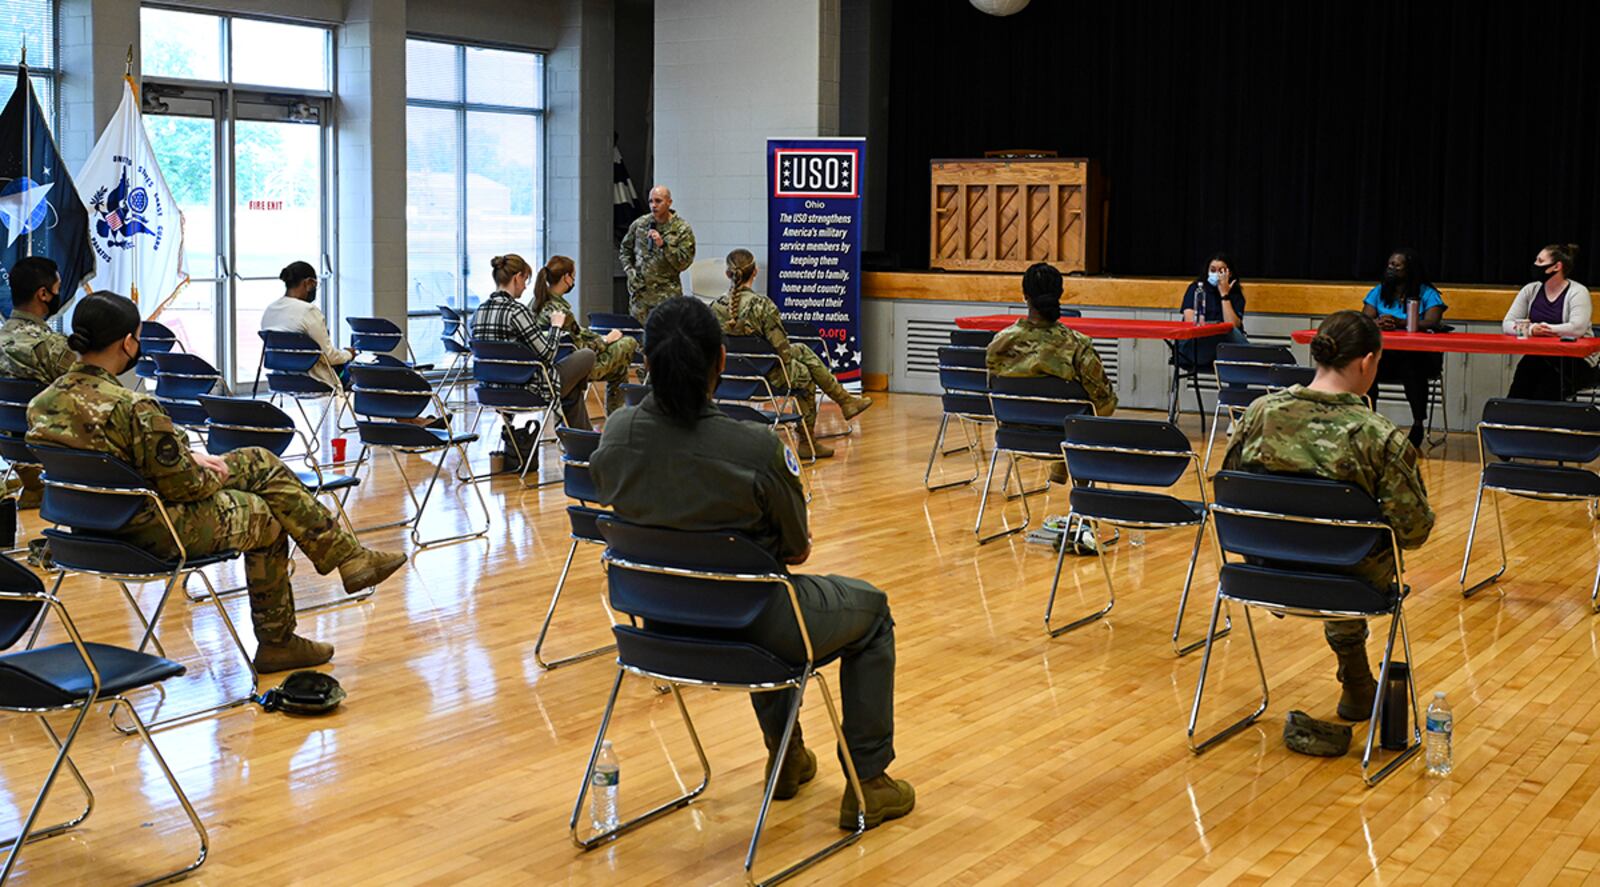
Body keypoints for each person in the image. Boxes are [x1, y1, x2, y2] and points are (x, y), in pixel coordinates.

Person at [591, 296, 913, 830]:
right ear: (721, 360)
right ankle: (869, 782)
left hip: (658, 629)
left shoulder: (619, 431)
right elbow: (796, 549)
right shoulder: (756, 446)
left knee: (746, 591)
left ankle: (787, 758)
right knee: (868, 612)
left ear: (644, 362)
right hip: (747, 627)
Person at [26, 293, 407, 672]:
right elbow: (184, 489)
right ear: (129, 342)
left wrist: (187, 456)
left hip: (84, 531)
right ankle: (283, 637)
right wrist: (209, 470)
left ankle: (346, 559)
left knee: (256, 463)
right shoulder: (134, 407)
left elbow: (109, 461)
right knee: (265, 512)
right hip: (149, 532)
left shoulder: (41, 404)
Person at [1221, 310, 1434, 724]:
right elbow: (1413, 531)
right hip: (1347, 586)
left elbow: (1229, 493)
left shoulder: (1259, 414)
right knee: (1355, 547)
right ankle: (1356, 680)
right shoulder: (1378, 436)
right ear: (1368, 362)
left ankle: (1356, 679)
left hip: (1265, 573)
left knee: (1332, 541)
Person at [711, 249, 873, 459]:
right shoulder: (763, 306)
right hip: (768, 379)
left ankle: (845, 402)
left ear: (727, 274)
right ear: (755, 272)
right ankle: (809, 439)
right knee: (804, 374)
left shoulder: (713, 308)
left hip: (729, 380)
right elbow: (782, 352)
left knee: (802, 354)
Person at [469, 254, 597, 452]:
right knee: (586, 355)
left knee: (570, 388)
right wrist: (556, 326)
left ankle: (585, 443)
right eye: (525, 280)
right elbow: (547, 354)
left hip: (489, 390)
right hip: (527, 390)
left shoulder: (478, 312)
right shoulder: (517, 312)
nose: (526, 286)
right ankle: (585, 445)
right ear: (517, 277)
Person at [0, 256, 75, 508]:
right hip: (51, 447)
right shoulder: (53, 348)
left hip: (8, 447)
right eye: (57, 288)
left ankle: (33, 487)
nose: (59, 294)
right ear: (43, 294)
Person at [529, 255, 638, 416]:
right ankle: (616, 419)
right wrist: (606, 340)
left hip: (548, 367)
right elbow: (582, 351)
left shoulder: (535, 303)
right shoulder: (561, 312)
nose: (574, 279)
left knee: (619, 370)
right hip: (574, 367)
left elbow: (578, 333)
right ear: (566, 278)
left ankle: (615, 419)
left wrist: (599, 338)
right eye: (573, 275)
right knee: (628, 342)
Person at [1361, 248, 1447, 447]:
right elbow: (1365, 318)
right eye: (1390, 265)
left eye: (1397, 266)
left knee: (1412, 368)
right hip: (1386, 356)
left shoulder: (1427, 293)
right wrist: (1378, 323)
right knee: (1366, 366)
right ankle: (1367, 420)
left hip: (1419, 358)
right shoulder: (1379, 291)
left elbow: (1432, 321)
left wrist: (1400, 323)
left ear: (1410, 270)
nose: (1391, 269)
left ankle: (1417, 424)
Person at [1503, 244, 1594, 400]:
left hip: (1574, 360)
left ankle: (1540, 422)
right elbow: (1507, 324)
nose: (1535, 265)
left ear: (1556, 266)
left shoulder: (1578, 292)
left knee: (1546, 390)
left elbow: (1577, 328)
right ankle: (1512, 421)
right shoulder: (1530, 290)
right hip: (1540, 355)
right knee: (1521, 382)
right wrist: (1531, 330)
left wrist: (1546, 329)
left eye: (1540, 261)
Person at [261, 260, 353, 393]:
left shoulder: (270, 310)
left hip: (279, 379)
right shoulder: (308, 311)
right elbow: (330, 357)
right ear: (308, 283)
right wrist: (349, 354)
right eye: (315, 284)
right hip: (313, 380)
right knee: (356, 368)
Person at [618, 185, 695, 324]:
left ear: (669, 202)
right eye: (650, 201)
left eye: (658, 201)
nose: (653, 205)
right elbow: (625, 250)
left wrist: (664, 245)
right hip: (641, 294)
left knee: (667, 338)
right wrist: (629, 271)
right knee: (640, 339)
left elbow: (683, 263)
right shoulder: (640, 224)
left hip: (667, 294)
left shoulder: (681, 228)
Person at [1175, 253, 1250, 368]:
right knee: (1229, 334)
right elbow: (1191, 321)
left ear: (1229, 273)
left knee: (1230, 334)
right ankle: (1253, 357)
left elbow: (1233, 325)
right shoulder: (1196, 289)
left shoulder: (1235, 295)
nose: (1216, 274)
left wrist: (1224, 295)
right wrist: (1217, 327)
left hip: (1222, 348)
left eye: (1221, 271)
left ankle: (1241, 376)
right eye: (1213, 270)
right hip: (1195, 346)